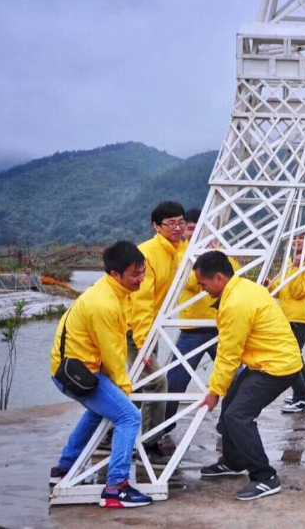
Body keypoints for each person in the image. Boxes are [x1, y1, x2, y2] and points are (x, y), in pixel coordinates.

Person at [49, 241, 152, 508]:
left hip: (75, 368)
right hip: (76, 374)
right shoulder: (104, 303)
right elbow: (113, 353)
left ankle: (65, 466)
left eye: (142, 272)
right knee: (129, 416)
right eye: (134, 274)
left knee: (99, 411)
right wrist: (124, 388)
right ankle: (116, 487)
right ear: (115, 274)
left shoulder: (113, 292)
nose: (140, 279)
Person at [195, 251, 303, 501]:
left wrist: (214, 392)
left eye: (204, 283)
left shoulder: (235, 303)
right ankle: (233, 462)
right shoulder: (243, 286)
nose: (202, 289)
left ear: (220, 277)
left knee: (238, 416)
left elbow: (228, 354)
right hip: (266, 361)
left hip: (276, 367)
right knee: (231, 408)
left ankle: (265, 477)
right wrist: (221, 393)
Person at [163, 208, 241, 434]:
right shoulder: (182, 253)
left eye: (200, 227)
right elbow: (187, 281)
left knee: (232, 378)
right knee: (176, 380)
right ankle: (164, 426)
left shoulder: (219, 251)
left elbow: (233, 275)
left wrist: (214, 254)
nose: (195, 231)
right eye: (190, 227)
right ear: (186, 230)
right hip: (192, 328)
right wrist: (204, 261)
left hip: (219, 327)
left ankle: (229, 423)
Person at [128, 201, 185, 460]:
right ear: (155, 226)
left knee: (137, 384)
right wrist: (143, 343)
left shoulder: (181, 250)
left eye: (180, 222)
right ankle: (149, 442)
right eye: (170, 223)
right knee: (154, 382)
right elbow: (141, 302)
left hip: (153, 328)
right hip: (134, 329)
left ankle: (115, 434)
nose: (177, 227)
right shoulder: (147, 253)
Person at [268, 231, 305, 414]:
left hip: (299, 318)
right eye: (296, 238)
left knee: (289, 356)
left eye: (302, 239)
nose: (297, 242)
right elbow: (281, 291)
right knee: (296, 355)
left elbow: (297, 291)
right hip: (287, 317)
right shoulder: (292, 266)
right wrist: (271, 284)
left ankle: (301, 398)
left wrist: (297, 268)